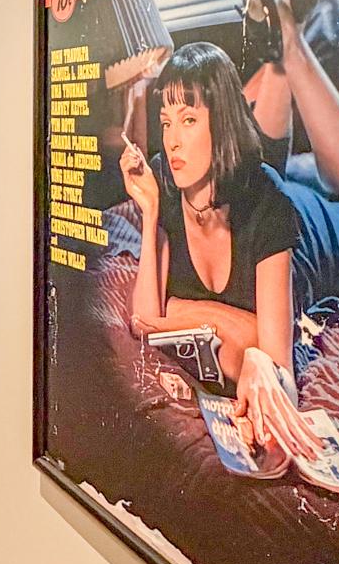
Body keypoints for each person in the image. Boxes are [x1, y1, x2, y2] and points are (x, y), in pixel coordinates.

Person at [120, 42, 320, 464]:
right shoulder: (164, 182)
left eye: (189, 120)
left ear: (222, 121)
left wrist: (184, 312)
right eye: (166, 122)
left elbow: (277, 372)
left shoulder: (268, 204)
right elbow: (145, 322)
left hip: (324, 238)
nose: (172, 141)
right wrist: (150, 211)